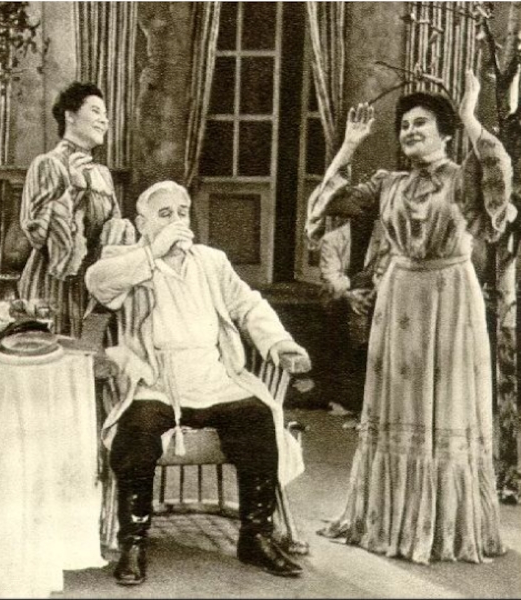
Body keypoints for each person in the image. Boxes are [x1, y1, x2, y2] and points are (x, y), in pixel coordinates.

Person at [306, 70, 507, 564]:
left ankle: (444, 525)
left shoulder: (463, 178)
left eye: (421, 123)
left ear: (445, 133)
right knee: (398, 405)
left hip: (451, 299)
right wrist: (350, 144)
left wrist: (469, 113)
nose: (410, 131)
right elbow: (324, 208)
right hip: (399, 301)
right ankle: (390, 520)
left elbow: (498, 176)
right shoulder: (387, 184)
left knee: (448, 403)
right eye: (404, 126)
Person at [85, 181, 311, 584]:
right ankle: (133, 542)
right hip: (156, 381)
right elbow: (97, 281)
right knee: (136, 430)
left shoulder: (211, 261)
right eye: (164, 214)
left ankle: (255, 536)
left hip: (213, 377)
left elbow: (248, 305)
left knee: (257, 416)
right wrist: (152, 252)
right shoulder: (129, 261)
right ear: (142, 223)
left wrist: (279, 343)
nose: (177, 221)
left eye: (182, 212)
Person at [18, 81, 121, 337]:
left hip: (94, 286)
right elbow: (36, 235)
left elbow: (116, 227)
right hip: (53, 287)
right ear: (70, 116)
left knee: (91, 352)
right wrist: (73, 189)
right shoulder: (47, 165)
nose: (104, 120)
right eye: (96, 111)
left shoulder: (102, 174)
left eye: (106, 114)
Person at [318, 218, 390, 419]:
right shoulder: (332, 239)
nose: (365, 215)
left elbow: (385, 273)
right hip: (340, 298)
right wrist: (350, 295)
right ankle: (343, 395)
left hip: (373, 297)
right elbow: (331, 278)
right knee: (344, 318)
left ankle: (368, 396)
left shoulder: (387, 237)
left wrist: (371, 294)